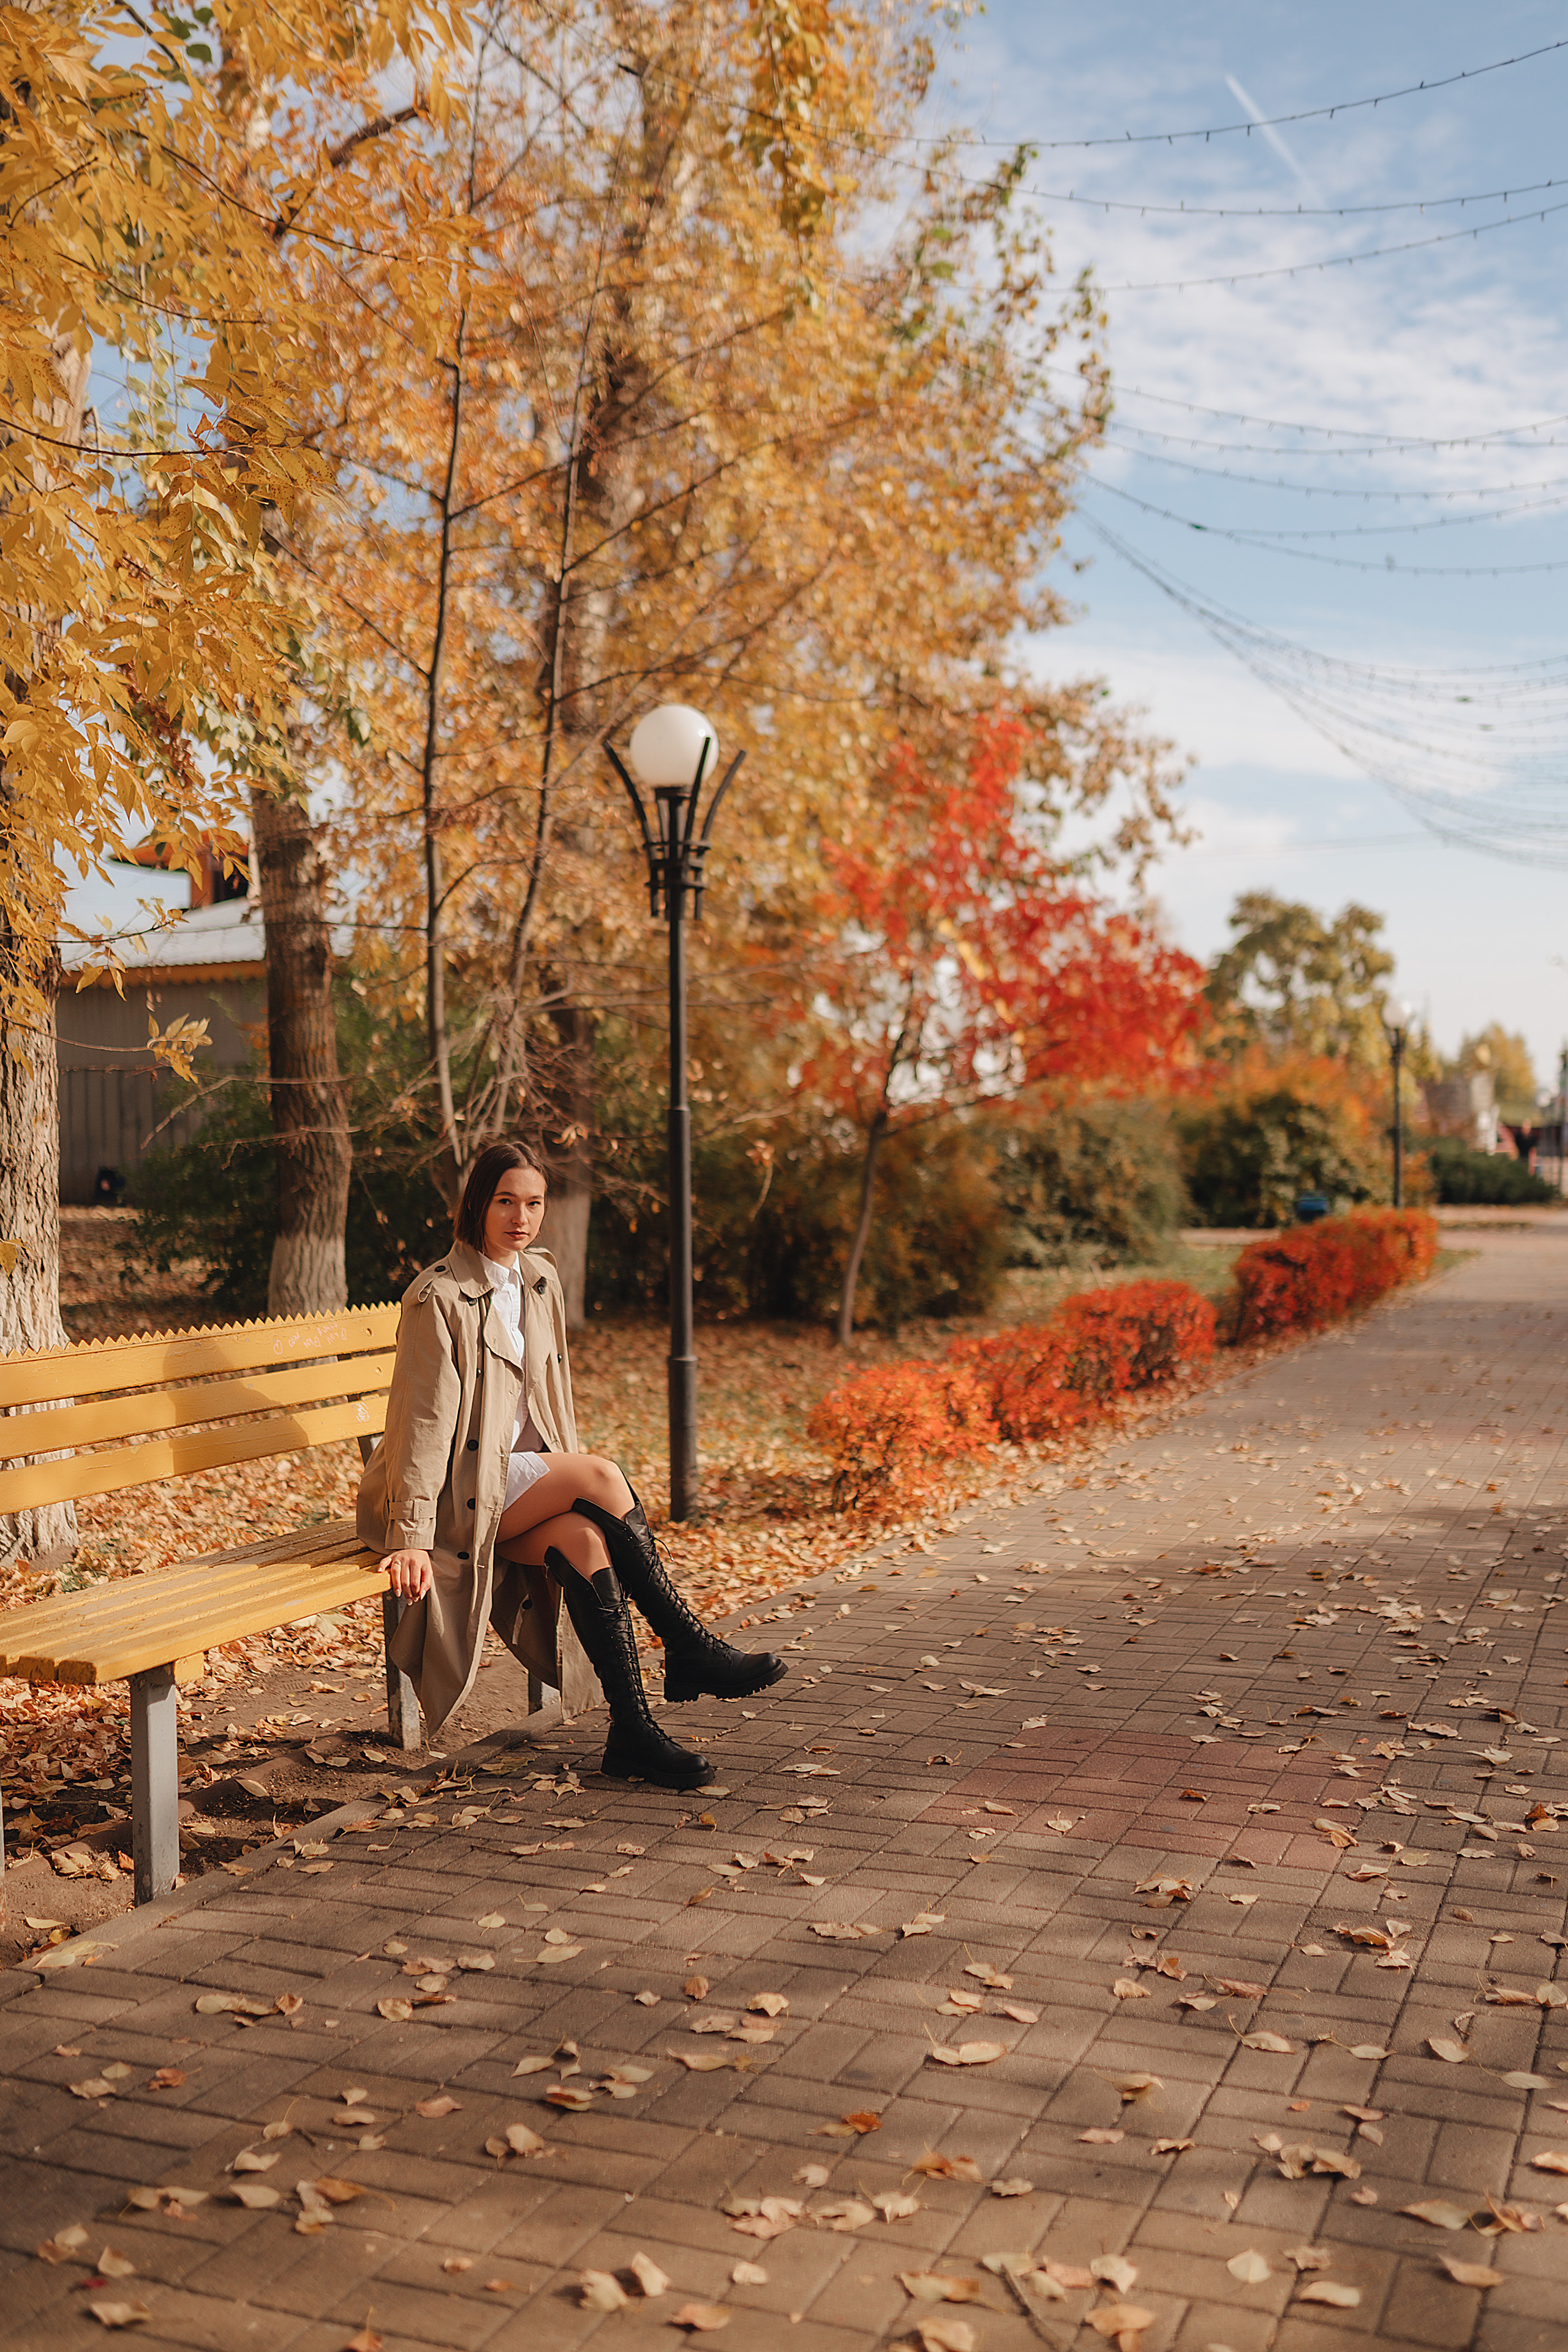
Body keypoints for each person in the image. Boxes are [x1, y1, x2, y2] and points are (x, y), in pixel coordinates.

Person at [357, 1140, 785, 1789]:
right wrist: (411, 1535)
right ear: (477, 1202)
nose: (519, 1218)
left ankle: (632, 1732)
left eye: (533, 1203)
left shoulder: (539, 1279)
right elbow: (422, 1426)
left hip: (516, 1481)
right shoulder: (437, 1299)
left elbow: (548, 1403)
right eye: (505, 1202)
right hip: (452, 1493)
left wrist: (562, 1482)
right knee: (602, 1476)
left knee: (588, 1539)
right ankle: (690, 1648)